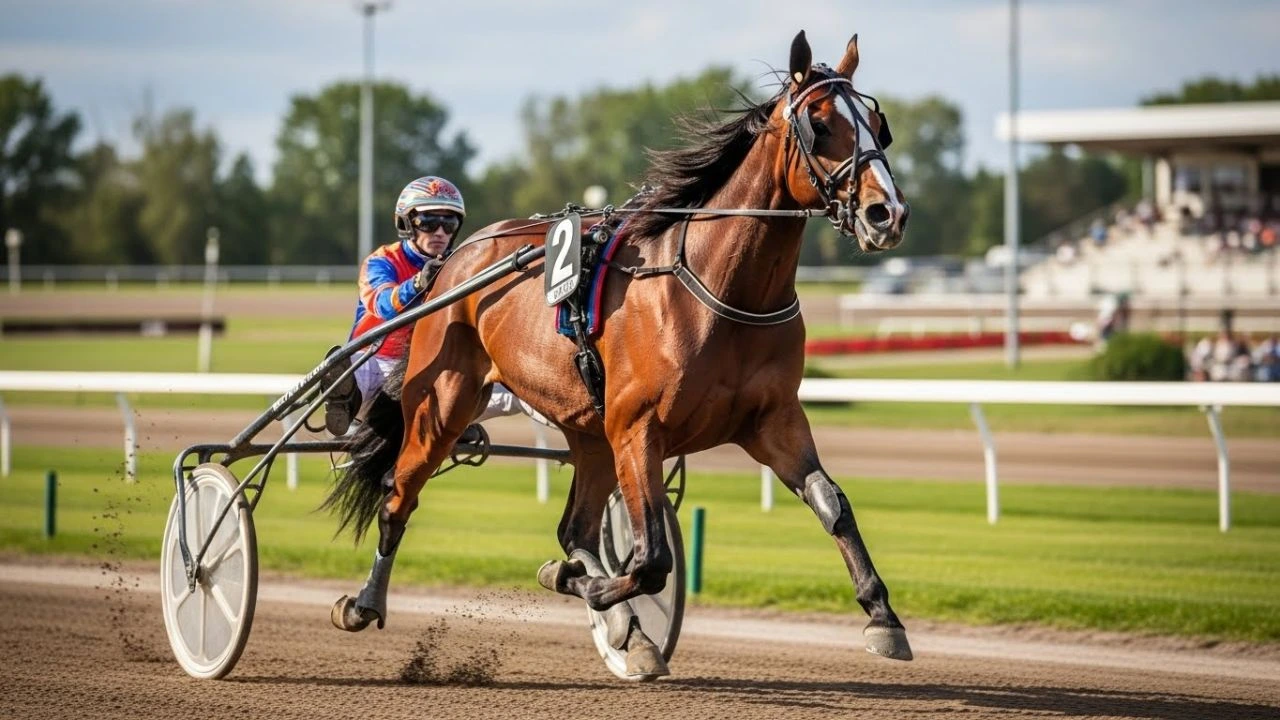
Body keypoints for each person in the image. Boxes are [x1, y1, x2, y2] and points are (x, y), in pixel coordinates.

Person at [322, 176, 546, 436]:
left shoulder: (464, 265)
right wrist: (418, 283)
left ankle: (577, 423)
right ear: (407, 223)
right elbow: (383, 306)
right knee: (344, 362)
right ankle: (347, 403)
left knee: (521, 384)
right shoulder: (382, 261)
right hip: (377, 363)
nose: (440, 232)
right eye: (428, 223)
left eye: (448, 224)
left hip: (435, 371)